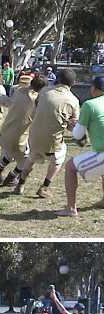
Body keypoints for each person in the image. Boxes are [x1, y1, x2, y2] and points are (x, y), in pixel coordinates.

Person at [15, 69, 80, 197]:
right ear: (74, 83)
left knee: (32, 157)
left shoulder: (44, 91)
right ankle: (44, 187)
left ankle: (20, 184)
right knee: (58, 159)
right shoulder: (73, 100)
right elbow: (73, 125)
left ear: (58, 79)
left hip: (33, 137)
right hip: (51, 142)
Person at [0, 74, 48, 185]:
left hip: (5, 132)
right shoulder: (35, 101)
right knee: (26, 159)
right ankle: (12, 177)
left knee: (9, 152)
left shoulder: (18, 91)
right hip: (19, 138)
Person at [57, 76, 104, 217]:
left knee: (70, 167)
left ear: (95, 89)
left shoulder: (89, 105)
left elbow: (78, 135)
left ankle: (71, 209)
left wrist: (72, 126)